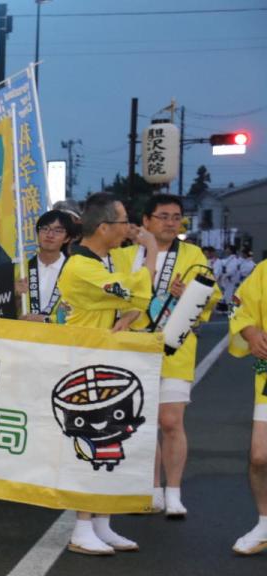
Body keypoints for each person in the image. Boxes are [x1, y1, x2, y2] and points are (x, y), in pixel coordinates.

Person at [111, 194, 219, 518]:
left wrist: (191, 294)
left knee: (171, 421)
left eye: (176, 217)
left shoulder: (192, 254)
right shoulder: (124, 255)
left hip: (175, 346)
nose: (171, 223)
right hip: (133, 346)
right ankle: (151, 488)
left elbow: (212, 292)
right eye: (163, 216)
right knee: (141, 422)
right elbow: (113, 293)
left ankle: (174, 491)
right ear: (146, 221)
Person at [57, 192, 152, 555]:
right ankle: (82, 527)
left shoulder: (101, 261)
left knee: (111, 442)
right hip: (83, 362)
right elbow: (135, 291)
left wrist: (130, 315)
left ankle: (101, 523)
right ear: (103, 227)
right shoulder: (82, 266)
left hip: (101, 360)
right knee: (92, 441)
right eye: (123, 221)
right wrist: (151, 250)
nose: (129, 227)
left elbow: (135, 302)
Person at [227, 256, 267, 554]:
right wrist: (252, 334)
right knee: (259, 457)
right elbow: (240, 309)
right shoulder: (264, 271)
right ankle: (265, 523)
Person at [16, 210, 73, 323]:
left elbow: (79, 313)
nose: (50, 235)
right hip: (23, 332)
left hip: (59, 333)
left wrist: (45, 320)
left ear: (67, 238)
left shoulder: (74, 270)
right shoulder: (20, 269)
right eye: (45, 228)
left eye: (58, 231)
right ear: (37, 233)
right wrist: (15, 296)